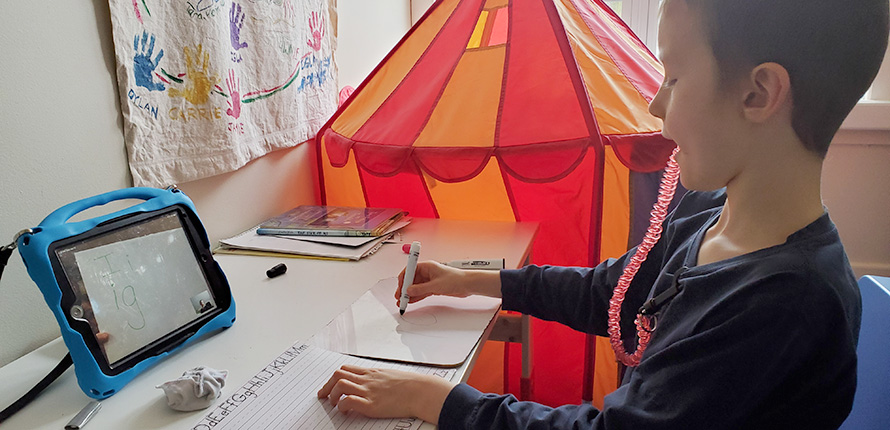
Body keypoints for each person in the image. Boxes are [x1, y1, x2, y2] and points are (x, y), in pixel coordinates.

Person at [317, 0, 890, 428]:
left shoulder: (785, 306)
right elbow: (613, 292)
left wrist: (434, 399)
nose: (655, 102)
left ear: (759, 94)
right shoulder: (711, 211)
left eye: (672, 76)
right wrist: (474, 281)